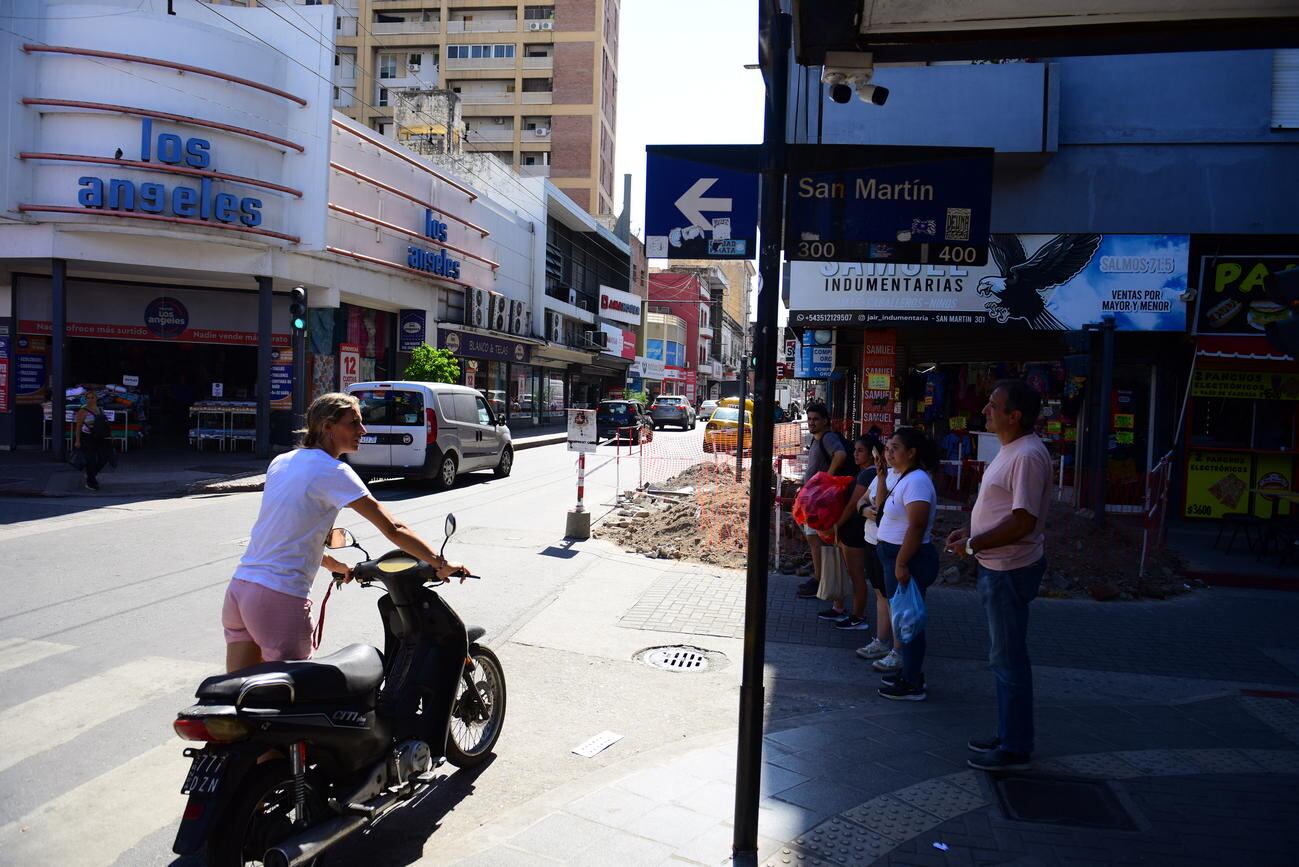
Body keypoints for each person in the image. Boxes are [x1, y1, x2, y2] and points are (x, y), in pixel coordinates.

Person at [222, 393, 467, 673]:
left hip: (240, 591)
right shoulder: (335, 471)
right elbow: (393, 529)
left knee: (238, 696)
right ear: (328, 427)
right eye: (354, 423)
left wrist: (332, 564)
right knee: (295, 701)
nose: (363, 430)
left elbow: (286, 534)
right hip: (278, 597)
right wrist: (441, 563)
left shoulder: (281, 462)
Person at [946, 380, 1052, 771]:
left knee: (1007, 659)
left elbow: (1022, 521)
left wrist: (974, 546)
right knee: (1003, 657)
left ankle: (1015, 746)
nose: (985, 410)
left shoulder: (1025, 455)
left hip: (1009, 568)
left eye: (993, 406)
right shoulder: (1013, 450)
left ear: (1015, 415)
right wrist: (972, 534)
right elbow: (1004, 511)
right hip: (999, 564)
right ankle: (1009, 732)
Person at [874, 426, 939, 700]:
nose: (889, 452)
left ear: (912, 453)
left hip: (907, 559)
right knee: (903, 620)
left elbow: (917, 525)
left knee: (909, 621)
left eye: (895, 448)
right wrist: (879, 476)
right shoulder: (899, 477)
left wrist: (901, 563)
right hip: (893, 557)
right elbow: (881, 507)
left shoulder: (917, 482)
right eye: (887, 447)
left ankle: (913, 682)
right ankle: (909, 673)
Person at [833, 436, 893, 653]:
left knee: (860, 577)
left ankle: (859, 617)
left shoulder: (872, 474)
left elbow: (856, 505)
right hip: (863, 534)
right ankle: (856, 617)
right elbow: (861, 503)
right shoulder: (874, 475)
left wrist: (837, 525)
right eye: (855, 450)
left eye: (860, 451)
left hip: (864, 536)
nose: (855, 454)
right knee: (873, 587)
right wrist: (862, 509)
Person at [795, 402, 850, 620]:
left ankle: (829, 585)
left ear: (826, 420)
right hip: (814, 502)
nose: (811, 423)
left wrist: (826, 479)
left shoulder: (828, 438)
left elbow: (840, 455)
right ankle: (819, 578)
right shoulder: (816, 440)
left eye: (816, 419)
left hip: (822, 502)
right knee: (812, 538)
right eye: (809, 419)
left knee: (825, 542)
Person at [73, 388, 112, 491]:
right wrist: (77, 440)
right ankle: (91, 482)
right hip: (87, 438)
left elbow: (105, 424)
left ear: (96, 398)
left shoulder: (100, 409)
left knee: (104, 458)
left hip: (100, 438)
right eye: (88, 398)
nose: (90, 399)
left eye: (92, 397)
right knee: (91, 460)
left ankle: (91, 475)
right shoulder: (83, 410)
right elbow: (78, 427)